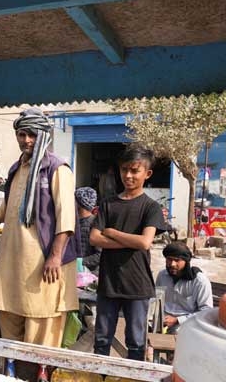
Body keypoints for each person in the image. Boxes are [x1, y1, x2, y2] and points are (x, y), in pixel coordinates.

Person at [0, 108, 78, 378]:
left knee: (42, 340)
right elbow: (4, 210)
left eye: (32, 134)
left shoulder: (57, 169)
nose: (27, 140)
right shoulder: (16, 169)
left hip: (44, 267)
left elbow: (67, 220)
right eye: (22, 134)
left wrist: (54, 257)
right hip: (12, 268)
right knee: (12, 340)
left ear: (44, 135)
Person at [90, 146, 164, 361]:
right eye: (124, 170)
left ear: (147, 173)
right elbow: (94, 238)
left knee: (136, 342)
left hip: (137, 285)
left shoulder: (151, 207)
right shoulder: (108, 204)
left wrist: (112, 232)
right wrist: (131, 241)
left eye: (134, 170)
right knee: (101, 340)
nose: (129, 175)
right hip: (108, 283)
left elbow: (144, 242)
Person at [156, 241, 213, 334]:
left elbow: (206, 311)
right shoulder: (162, 275)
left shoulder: (199, 281)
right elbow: (156, 298)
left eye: (177, 260)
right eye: (169, 259)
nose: (172, 264)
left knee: (177, 333)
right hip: (162, 320)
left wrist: (177, 320)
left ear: (186, 262)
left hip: (186, 323)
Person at [75, 187, 100, 274]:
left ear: (79, 204)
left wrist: (79, 262)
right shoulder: (73, 222)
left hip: (89, 276)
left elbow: (100, 255)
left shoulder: (96, 225)